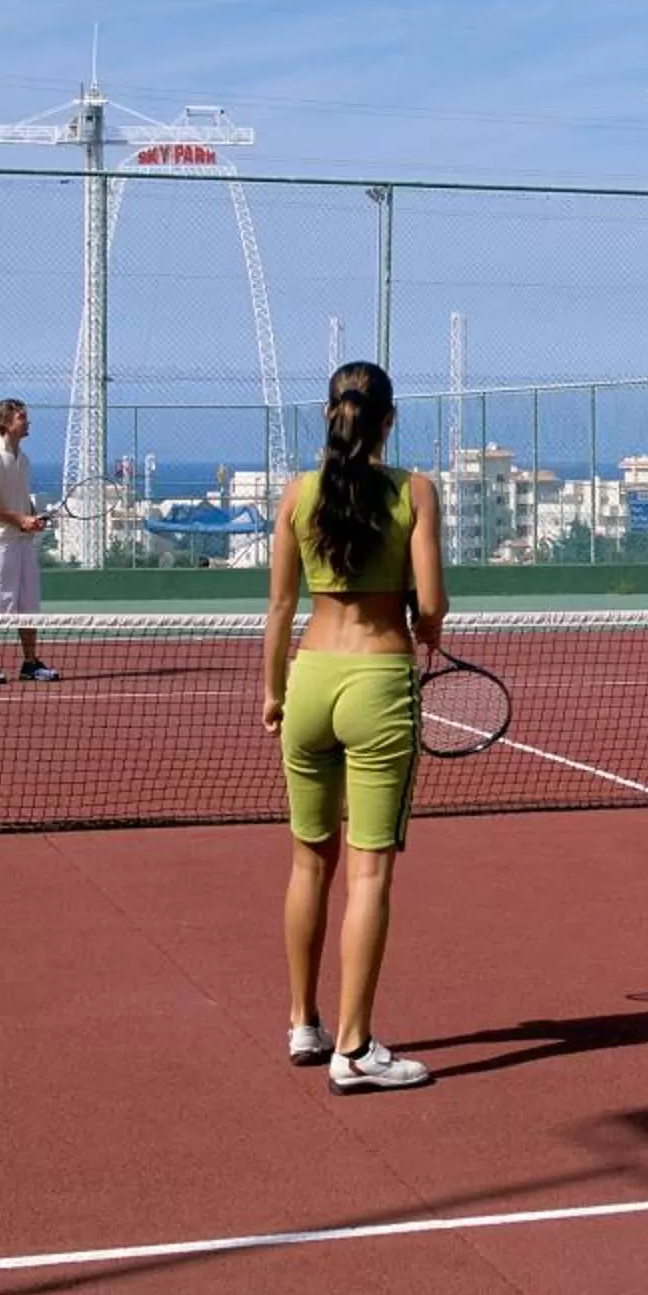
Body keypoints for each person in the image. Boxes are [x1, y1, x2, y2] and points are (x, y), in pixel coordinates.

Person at [263, 361, 447, 1094]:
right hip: (377, 683)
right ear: (389, 421)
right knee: (369, 872)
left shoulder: (297, 495)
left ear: (330, 415)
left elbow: (279, 610)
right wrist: (424, 623)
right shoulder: (415, 491)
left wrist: (272, 692)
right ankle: (355, 1048)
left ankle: (304, 1023)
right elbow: (431, 603)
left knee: (310, 862)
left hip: (308, 682)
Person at [0, 398, 56, 685]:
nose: (27, 421)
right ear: (6, 423)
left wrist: (32, 518)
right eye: (21, 417)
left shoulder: (24, 460)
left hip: (22, 543)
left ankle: (30, 663)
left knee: (29, 604)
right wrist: (20, 520)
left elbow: (22, 500)